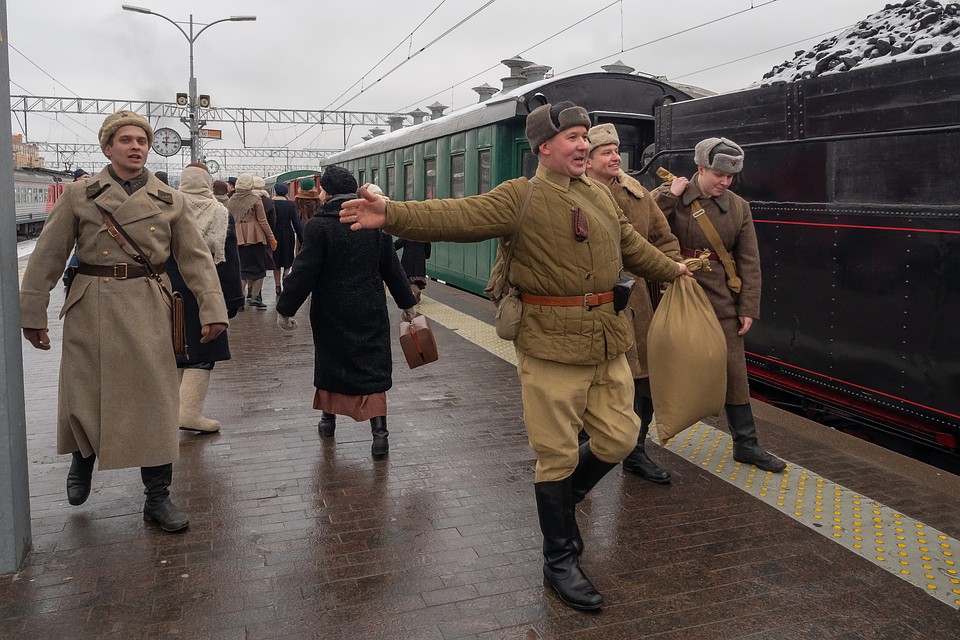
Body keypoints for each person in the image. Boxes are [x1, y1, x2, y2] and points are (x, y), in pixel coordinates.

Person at [340, 101, 690, 611]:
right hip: (550, 344)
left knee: (619, 436)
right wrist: (390, 213)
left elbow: (632, 244)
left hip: (608, 340)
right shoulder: (520, 197)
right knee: (557, 455)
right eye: (572, 137)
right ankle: (560, 561)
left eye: (585, 137)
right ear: (543, 147)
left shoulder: (599, 194)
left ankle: (565, 499)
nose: (582, 145)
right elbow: (460, 215)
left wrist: (673, 270)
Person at [19, 110, 228, 533]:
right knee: (85, 391)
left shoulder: (171, 200)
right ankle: (83, 458)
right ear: (107, 147)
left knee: (156, 399)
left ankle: (157, 497)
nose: (136, 147)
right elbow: (48, 255)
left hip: (148, 303)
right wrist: (33, 311)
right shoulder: (81, 195)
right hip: (90, 303)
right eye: (127, 140)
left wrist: (213, 309)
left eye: (142, 141)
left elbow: (195, 259)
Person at [652, 137, 786, 473]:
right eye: (717, 175)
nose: (724, 182)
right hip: (679, 293)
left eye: (730, 177)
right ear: (700, 168)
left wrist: (747, 307)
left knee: (734, 369)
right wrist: (670, 195)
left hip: (723, 297)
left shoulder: (739, 206)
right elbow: (646, 228)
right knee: (661, 367)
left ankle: (747, 444)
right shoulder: (675, 195)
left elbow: (749, 260)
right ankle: (635, 445)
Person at [276, 166, 417, 460]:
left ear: (325, 192)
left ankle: (328, 423)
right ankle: (380, 437)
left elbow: (304, 272)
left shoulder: (319, 226)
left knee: (331, 363)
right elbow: (391, 267)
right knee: (372, 368)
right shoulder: (373, 222)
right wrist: (407, 304)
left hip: (331, 310)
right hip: (370, 308)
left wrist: (286, 308)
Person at [581, 123, 679, 484]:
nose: (615, 158)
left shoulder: (637, 195)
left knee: (642, 381)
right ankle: (580, 456)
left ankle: (636, 453)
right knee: (586, 381)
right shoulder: (574, 193)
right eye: (605, 152)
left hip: (635, 303)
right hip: (589, 303)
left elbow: (663, 239)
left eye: (616, 150)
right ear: (587, 160)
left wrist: (670, 274)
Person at [171, 163, 243, 433]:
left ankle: (172, 412)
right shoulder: (219, 213)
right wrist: (232, 301)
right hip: (205, 289)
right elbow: (229, 261)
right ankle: (189, 413)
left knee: (175, 349)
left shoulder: (168, 208)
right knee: (203, 350)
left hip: (168, 289)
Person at [227, 173, 276, 309]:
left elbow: (229, 219)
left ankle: (240, 300)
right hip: (255, 236)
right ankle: (255, 297)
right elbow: (263, 221)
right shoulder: (255, 199)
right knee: (259, 267)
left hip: (238, 237)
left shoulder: (231, 200)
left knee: (241, 268)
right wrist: (271, 238)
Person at [271, 182, 304, 295]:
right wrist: (302, 237)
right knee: (287, 258)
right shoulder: (290, 204)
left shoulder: (271, 203)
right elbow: (296, 223)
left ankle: (277, 286)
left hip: (274, 234)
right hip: (287, 233)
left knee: (275, 261)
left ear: (275, 191)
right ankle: (286, 276)